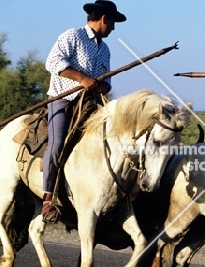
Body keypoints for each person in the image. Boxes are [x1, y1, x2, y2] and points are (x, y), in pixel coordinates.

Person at [41, 0, 126, 223]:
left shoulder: (104, 49)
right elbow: (52, 62)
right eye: (113, 23)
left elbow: (106, 78)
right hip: (64, 100)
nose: (113, 28)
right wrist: (82, 78)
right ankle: (48, 199)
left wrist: (102, 86)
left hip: (91, 103)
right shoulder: (72, 36)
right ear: (104, 19)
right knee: (57, 143)